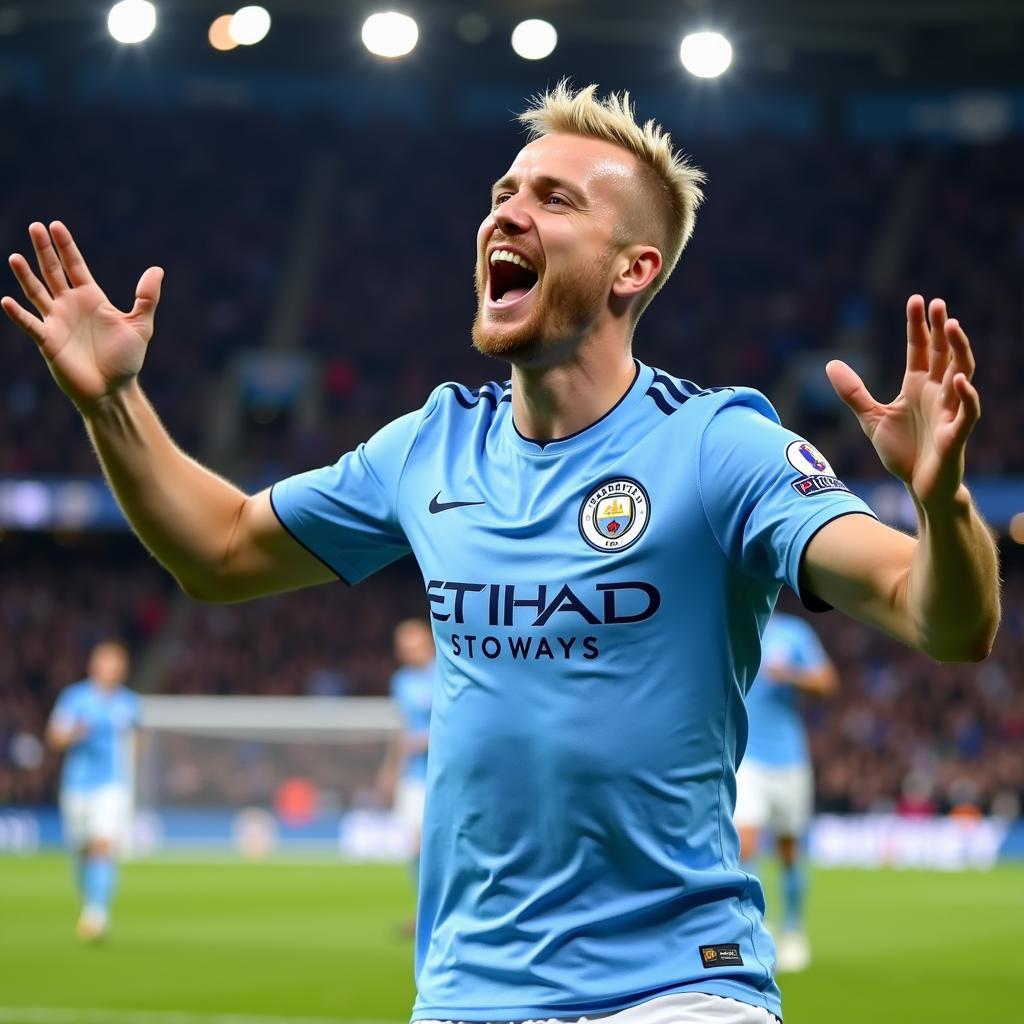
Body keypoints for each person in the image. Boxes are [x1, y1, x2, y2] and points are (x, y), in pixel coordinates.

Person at [4, 82, 999, 1023]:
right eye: (502, 193)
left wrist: (940, 500)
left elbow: (940, 618)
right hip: (465, 987)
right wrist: (110, 401)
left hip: (678, 984)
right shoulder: (429, 445)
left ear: (631, 268)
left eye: (553, 199)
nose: (506, 214)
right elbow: (219, 550)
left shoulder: (716, 445)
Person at [735, 612, 839, 973]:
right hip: (746, 757)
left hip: (789, 759)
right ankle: (755, 928)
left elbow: (827, 683)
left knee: (789, 850)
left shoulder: (793, 633)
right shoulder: (734, 620)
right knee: (744, 843)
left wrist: (791, 675)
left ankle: (793, 929)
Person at [46, 640, 140, 942]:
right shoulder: (75, 698)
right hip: (77, 785)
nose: (112, 669)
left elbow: (138, 739)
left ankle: (97, 915)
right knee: (81, 851)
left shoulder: (129, 703)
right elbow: (55, 738)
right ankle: (89, 904)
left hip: (113, 786)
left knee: (103, 846)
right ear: (94, 666)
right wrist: (74, 734)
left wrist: (133, 769)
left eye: (117, 664)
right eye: (107, 663)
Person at [376, 618, 435, 931]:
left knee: (433, 845)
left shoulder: (446, 673)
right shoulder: (401, 681)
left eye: (414, 644)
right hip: (413, 776)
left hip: (440, 774)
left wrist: (424, 741)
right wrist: (389, 771)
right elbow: (401, 729)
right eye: (403, 646)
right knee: (413, 845)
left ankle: (438, 909)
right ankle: (426, 909)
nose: (409, 651)